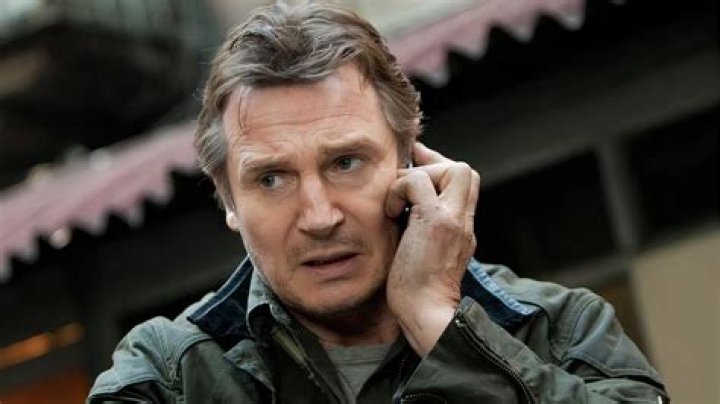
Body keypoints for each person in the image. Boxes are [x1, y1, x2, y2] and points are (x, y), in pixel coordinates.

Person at [87, 3, 668, 403]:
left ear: (412, 163)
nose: (319, 217)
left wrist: (439, 323)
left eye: (346, 163)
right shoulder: (168, 376)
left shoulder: (562, 331)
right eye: (271, 179)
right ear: (227, 199)